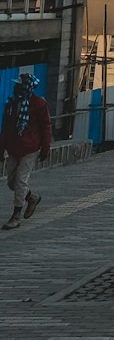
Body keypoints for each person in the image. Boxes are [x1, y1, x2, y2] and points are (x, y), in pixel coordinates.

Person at [0, 72, 51, 230]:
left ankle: (16, 216)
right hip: (14, 147)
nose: (16, 87)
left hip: (30, 147)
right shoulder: (11, 104)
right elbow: (5, 127)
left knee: (21, 181)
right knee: (11, 182)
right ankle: (32, 197)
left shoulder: (38, 104)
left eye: (19, 85)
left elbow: (45, 126)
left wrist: (45, 147)